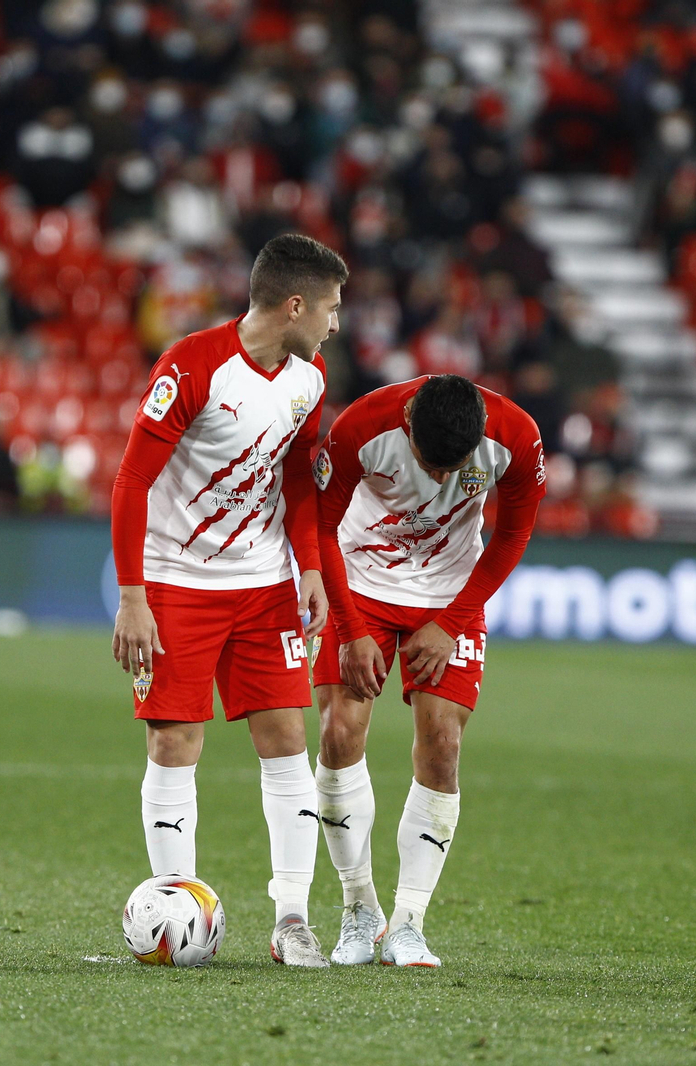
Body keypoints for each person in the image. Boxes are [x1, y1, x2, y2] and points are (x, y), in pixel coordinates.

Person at [109, 234, 348, 967]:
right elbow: (131, 482)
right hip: (178, 585)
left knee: (286, 742)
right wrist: (132, 596)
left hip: (266, 585)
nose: (337, 323)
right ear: (295, 304)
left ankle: (293, 920)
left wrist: (308, 567)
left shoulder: (310, 377)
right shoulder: (192, 365)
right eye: (333, 307)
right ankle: (172, 910)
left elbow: (301, 481)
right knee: (174, 743)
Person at [311, 373, 545, 967]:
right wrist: (351, 627)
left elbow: (515, 530)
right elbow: (319, 529)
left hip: (450, 596)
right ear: (408, 420)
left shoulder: (517, 435)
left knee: (442, 742)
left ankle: (409, 923)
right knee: (340, 733)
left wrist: (456, 619)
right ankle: (359, 910)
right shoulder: (360, 428)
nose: (441, 479)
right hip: (361, 585)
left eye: (453, 468)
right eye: (428, 464)